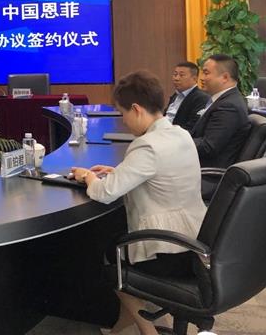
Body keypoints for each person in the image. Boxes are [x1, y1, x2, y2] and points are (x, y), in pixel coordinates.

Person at [69, 70, 206, 335]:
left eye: (123, 114)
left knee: (110, 258)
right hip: (195, 238)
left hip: (166, 249)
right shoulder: (180, 134)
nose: (124, 120)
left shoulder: (147, 145)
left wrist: (87, 176)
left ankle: (147, 330)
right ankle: (124, 323)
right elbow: (161, 174)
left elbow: (104, 193)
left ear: (136, 109)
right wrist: (118, 172)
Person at [191, 54, 251, 169]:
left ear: (225, 77)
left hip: (206, 171)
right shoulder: (224, 100)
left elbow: (208, 147)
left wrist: (178, 141)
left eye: (206, 73)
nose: (201, 78)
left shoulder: (229, 106)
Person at [164, 61, 209, 132]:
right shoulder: (176, 95)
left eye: (181, 75)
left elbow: (193, 126)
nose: (176, 78)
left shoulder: (201, 98)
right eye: (175, 74)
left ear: (194, 79)